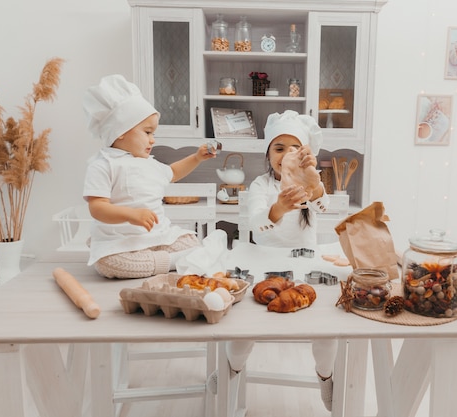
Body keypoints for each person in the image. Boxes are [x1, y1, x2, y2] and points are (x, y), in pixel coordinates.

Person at [223, 110, 337, 411]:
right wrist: (279, 207)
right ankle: (228, 373)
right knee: (243, 328)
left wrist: (314, 181)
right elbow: (258, 220)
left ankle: (326, 377)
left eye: (294, 148)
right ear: (268, 152)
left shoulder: (309, 181)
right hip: (264, 264)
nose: (286, 155)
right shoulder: (261, 186)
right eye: (279, 147)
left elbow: (324, 205)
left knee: (326, 329)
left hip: (304, 266)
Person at [82, 74, 216, 279]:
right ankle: (172, 262)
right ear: (120, 131)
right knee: (110, 264)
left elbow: (173, 172)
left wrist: (196, 157)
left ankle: (158, 259)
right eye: (147, 132)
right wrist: (131, 215)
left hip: (157, 237)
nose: (152, 140)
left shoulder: (148, 163)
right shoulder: (103, 164)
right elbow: (97, 207)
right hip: (120, 242)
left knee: (192, 241)